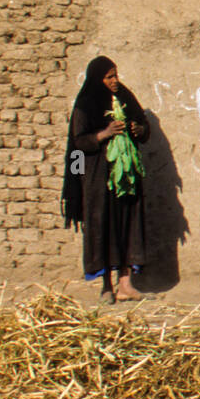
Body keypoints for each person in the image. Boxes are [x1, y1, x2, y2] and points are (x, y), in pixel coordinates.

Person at [63, 56, 150, 304]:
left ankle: (126, 283)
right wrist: (105, 133)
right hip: (99, 179)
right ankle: (106, 287)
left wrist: (138, 129)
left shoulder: (124, 97)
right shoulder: (86, 103)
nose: (115, 81)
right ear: (97, 79)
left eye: (116, 76)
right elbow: (78, 143)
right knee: (103, 228)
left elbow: (142, 124)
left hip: (126, 177)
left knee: (126, 224)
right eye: (109, 77)